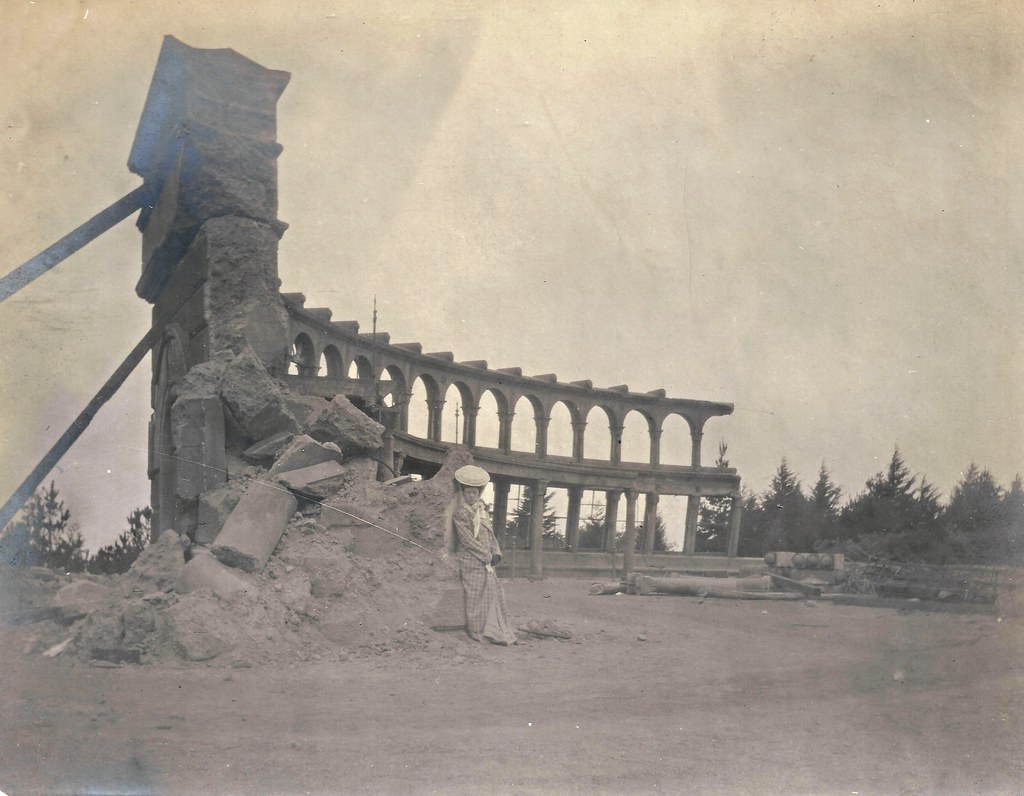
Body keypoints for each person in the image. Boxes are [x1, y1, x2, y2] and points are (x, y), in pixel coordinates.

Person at [442, 465, 517, 645]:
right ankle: (476, 631)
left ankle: (491, 630)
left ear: (479, 494)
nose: (471, 496)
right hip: (471, 560)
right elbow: (467, 540)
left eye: (474, 493)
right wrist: (486, 555)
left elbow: (490, 534)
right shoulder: (460, 513)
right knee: (475, 594)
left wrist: (496, 552)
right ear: (463, 493)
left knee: (492, 593)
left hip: (487, 560)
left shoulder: (482, 512)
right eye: (468, 492)